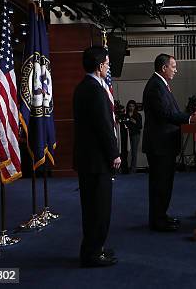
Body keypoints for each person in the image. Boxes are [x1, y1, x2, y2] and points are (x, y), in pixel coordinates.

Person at [142, 53, 196, 232]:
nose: (176, 70)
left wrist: (190, 115)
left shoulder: (161, 85)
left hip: (164, 144)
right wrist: (190, 119)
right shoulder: (155, 86)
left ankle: (161, 216)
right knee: (160, 185)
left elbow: (171, 112)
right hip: (159, 145)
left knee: (164, 184)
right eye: (173, 66)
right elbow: (165, 115)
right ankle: (158, 221)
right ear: (164, 68)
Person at [73, 46, 121, 268]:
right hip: (97, 160)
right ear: (101, 65)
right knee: (98, 210)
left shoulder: (83, 87)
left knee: (92, 208)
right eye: (108, 64)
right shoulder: (95, 90)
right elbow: (103, 126)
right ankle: (93, 253)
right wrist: (115, 153)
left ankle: (94, 248)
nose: (109, 67)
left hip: (88, 159)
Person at [123, 100, 142, 173]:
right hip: (127, 135)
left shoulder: (138, 115)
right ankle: (125, 168)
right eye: (130, 106)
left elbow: (140, 126)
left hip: (135, 135)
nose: (131, 108)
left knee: (134, 152)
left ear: (135, 107)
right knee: (125, 152)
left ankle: (133, 169)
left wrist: (135, 122)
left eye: (133, 106)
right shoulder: (125, 115)